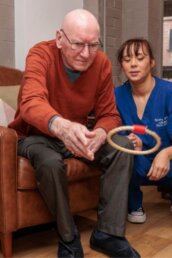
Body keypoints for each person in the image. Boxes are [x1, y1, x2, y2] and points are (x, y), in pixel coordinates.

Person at [9, 9, 140, 258]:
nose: (86, 53)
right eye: (78, 44)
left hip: (78, 134)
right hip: (37, 136)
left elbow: (109, 115)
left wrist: (101, 132)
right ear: (60, 38)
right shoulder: (40, 54)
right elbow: (30, 102)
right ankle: (68, 239)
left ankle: (108, 234)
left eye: (93, 45)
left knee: (123, 147)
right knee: (49, 163)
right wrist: (62, 126)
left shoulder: (100, 63)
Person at [115, 37, 172, 224]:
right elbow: (113, 132)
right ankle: (134, 204)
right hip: (137, 161)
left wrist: (166, 153)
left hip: (169, 160)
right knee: (123, 158)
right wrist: (130, 143)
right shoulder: (116, 96)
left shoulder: (168, 92)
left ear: (152, 62)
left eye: (139, 57)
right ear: (121, 65)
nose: (133, 64)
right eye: (127, 59)